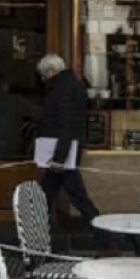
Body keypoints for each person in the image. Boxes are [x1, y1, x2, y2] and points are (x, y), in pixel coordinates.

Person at [36, 54, 114, 251]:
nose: (43, 80)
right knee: (47, 198)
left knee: (74, 198)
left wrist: (58, 157)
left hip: (60, 155)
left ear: (51, 71)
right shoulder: (73, 85)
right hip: (64, 153)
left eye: (44, 76)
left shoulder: (61, 89)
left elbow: (66, 125)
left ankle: (108, 241)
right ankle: (34, 242)